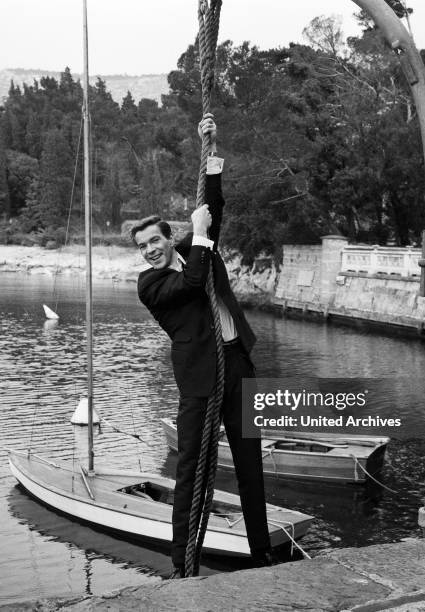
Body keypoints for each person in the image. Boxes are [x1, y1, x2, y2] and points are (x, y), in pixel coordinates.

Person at [130, 115, 272, 578]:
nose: (150, 249)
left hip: (237, 364)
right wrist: (201, 233)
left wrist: (209, 156)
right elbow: (193, 283)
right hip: (199, 380)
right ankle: (181, 565)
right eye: (142, 245)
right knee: (191, 472)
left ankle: (261, 556)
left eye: (155, 240)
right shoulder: (150, 285)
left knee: (251, 467)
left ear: (171, 237)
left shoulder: (198, 246)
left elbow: (213, 212)